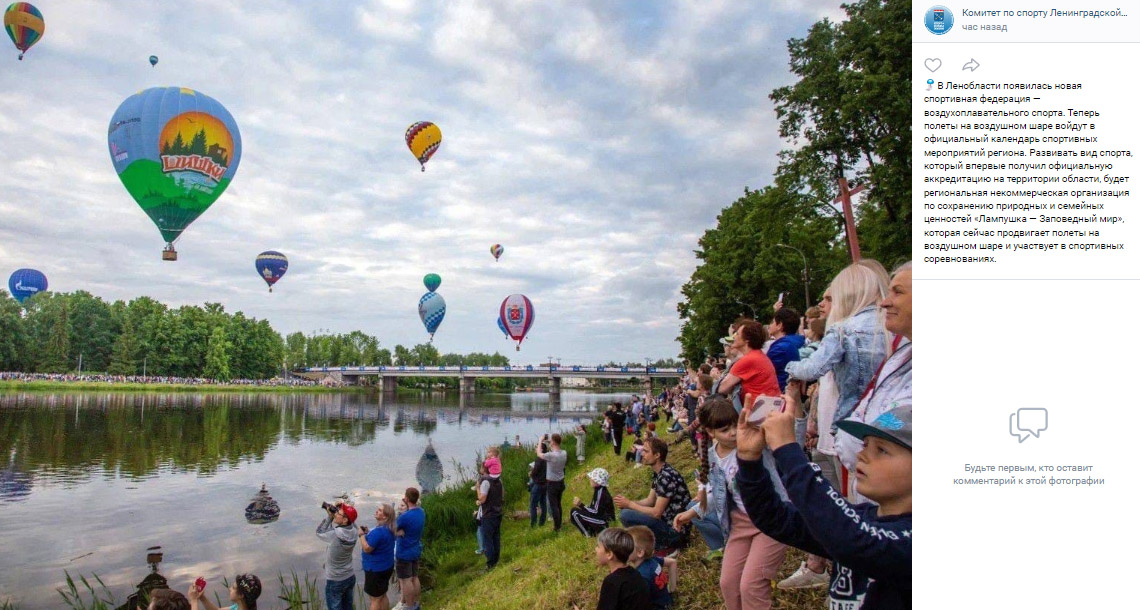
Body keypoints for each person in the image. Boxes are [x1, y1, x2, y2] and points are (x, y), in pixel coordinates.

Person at [735, 402, 913, 609]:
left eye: (881, 450)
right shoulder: (860, 519)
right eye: (865, 445)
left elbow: (852, 538)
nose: (861, 455)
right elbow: (775, 518)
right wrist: (748, 461)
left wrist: (788, 452)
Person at [834, 261, 912, 503]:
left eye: (897, 292)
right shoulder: (900, 356)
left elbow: (892, 426)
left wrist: (873, 431)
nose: (884, 302)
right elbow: (862, 416)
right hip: (874, 500)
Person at [785, 261, 890, 434]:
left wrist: (790, 368)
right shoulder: (894, 326)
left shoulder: (844, 330)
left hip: (854, 422)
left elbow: (812, 369)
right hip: (890, 421)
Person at [616, 437, 691, 553]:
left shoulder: (666, 476)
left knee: (626, 515)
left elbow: (656, 513)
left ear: (657, 455)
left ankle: (665, 546)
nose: (642, 453)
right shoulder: (659, 473)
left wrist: (630, 505)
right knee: (626, 511)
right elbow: (650, 500)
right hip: (667, 522)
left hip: (676, 531)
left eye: (646, 451)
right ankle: (652, 545)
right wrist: (627, 503)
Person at [573, 527, 650, 610]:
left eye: (598, 546)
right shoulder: (635, 573)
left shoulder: (612, 582)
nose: (596, 549)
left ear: (609, 554)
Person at [717, 322, 780, 402]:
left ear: (747, 339)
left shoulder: (748, 360)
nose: (734, 337)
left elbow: (722, 388)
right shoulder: (759, 355)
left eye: (737, 334)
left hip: (756, 410)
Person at [316, 501, 358, 610]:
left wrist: (329, 517)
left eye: (339, 513)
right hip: (349, 576)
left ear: (344, 520)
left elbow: (319, 532)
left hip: (335, 580)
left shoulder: (336, 534)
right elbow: (351, 521)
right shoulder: (354, 531)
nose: (336, 513)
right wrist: (343, 509)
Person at [627, 526, 677, 609]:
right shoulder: (652, 559)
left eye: (626, 545)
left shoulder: (642, 576)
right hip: (667, 602)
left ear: (640, 553)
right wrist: (672, 590)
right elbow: (672, 562)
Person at [360, 504, 397, 610]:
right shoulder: (390, 529)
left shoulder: (378, 532)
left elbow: (367, 549)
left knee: (375, 599)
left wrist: (361, 535)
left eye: (380, 510)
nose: (376, 511)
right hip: (387, 567)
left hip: (375, 570)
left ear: (385, 516)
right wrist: (368, 533)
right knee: (382, 595)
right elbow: (380, 541)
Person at [395, 488, 425, 610]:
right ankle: (416, 603)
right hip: (415, 549)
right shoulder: (421, 512)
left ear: (406, 499)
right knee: (414, 577)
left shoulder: (404, 517)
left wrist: (398, 531)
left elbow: (391, 529)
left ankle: (409, 606)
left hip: (404, 552)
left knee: (406, 580)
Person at [477, 450, 505, 569]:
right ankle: (496, 560)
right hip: (498, 512)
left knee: (487, 539)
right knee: (496, 537)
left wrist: (478, 489)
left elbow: (482, 499)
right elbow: (502, 495)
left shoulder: (485, 482)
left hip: (488, 514)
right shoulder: (499, 480)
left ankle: (490, 563)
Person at [766, 307, 804, 392]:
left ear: (779, 326)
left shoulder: (780, 348)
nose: (769, 325)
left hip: (778, 393)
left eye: (772, 322)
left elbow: (765, 371)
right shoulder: (793, 343)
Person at [570, 468, 615, 536]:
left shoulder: (601, 493)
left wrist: (581, 505)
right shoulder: (599, 490)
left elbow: (595, 512)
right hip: (601, 519)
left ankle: (587, 534)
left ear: (598, 481)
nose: (590, 479)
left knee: (575, 512)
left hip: (604, 523)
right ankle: (591, 530)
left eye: (592, 478)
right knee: (576, 511)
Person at [537, 433, 568, 531]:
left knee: (553, 505)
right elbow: (555, 451)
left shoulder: (550, 455)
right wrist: (550, 443)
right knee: (558, 504)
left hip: (552, 483)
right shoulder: (564, 453)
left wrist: (540, 441)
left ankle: (557, 527)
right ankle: (559, 523)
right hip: (561, 481)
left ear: (553, 442)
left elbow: (539, 454)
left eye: (551, 441)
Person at [188, 574, 262, 610]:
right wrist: (202, 597)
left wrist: (194, 601)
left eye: (233, 588)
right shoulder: (237, 607)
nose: (229, 589)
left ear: (241, 595)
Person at [529, 442, 549, 527]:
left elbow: (535, 471)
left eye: (537, 447)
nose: (535, 448)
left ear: (541, 449)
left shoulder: (539, 459)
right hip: (545, 484)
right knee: (543, 504)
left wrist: (531, 474)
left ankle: (533, 523)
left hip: (538, 484)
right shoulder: (547, 458)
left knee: (533, 505)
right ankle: (542, 522)